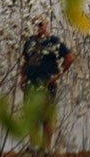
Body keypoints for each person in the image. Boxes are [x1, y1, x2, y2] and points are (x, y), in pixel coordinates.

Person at [19, 17, 75, 149]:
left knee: (46, 118)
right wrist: (22, 76)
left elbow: (70, 57)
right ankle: (33, 147)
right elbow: (26, 61)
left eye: (40, 24)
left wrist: (57, 76)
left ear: (46, 25)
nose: (38, 27)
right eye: (35, 25)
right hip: (31, 84)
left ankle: (46, 148)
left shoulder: (54, 41)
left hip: (47, 84)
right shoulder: (29, 42)